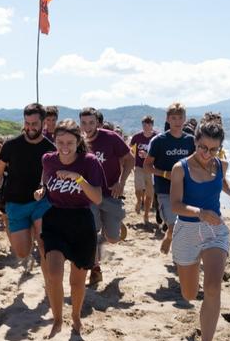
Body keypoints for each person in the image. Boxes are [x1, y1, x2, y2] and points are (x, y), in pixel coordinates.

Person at [169, 122, 230, 341]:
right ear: (195, 142)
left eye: (213, 149)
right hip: (187, 230)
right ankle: (196, 327)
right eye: (203, 147)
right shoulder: (180, 169)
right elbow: (175, 205)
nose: (207, 153)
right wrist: (200, 212)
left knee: (213, 287)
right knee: (189, 294)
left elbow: (223, 182)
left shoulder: (220, 165)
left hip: (215, 231)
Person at [34, 119, 104, 338]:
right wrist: (41, 191)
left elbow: (98, 198)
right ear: (54, 141)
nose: (64, 147)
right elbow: (46, 183)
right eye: (60, 142)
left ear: (78, 141)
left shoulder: (89, 162)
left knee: (76, 282)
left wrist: (78, 178)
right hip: (55, 219)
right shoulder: (48, 160)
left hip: (82, 221)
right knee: (54, 274)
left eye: (70, 143)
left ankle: (75, 315)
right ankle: (57, 320)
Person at [0, 104, 56, 279]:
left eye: (35, 123)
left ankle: (50, 286)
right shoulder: (11, 145)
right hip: (15, 203)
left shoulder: (50, 148)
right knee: (22, 252)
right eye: (27, 123)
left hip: (40, 203)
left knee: (45, 246)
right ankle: (29, 228)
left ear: (44, 122)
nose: (30, 127)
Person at [80, 107, 134, 285]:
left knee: (111, 238)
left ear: (98, 123)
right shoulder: (78, 141)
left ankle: (116, 223)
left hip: (111, 194)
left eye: (91, 122)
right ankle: (95, 270)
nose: (87, 127)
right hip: (89, 195)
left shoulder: (110, 138)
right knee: (91, 234)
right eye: (84, 122)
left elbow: (130, 160)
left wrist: (121, 182)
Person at [144, 102, 196, 254]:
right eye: (174, 118)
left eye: (180, 118)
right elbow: (147, 166)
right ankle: (169, 236)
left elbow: (197, 163)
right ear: (168, 119)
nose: (177, 121)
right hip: (164, 189)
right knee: (173, 225)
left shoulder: (191, 141)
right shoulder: (159, 141)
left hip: (187, 189)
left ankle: (178, 251)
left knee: (185, 224)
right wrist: (165, 174)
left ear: (185, 119)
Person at [129, 115, 157, 225]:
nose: (146, 127)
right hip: (139, 166)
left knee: (149, 194)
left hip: (151, 168)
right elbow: (129, 148)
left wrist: (148, 155)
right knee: (138, 189)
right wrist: (132, 156)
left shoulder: (156, 137)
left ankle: (146, 214)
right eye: (144, 125)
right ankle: (139, 201)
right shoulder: (137, 136)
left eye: (149, 124)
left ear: (152, 125)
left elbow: (159, 153)